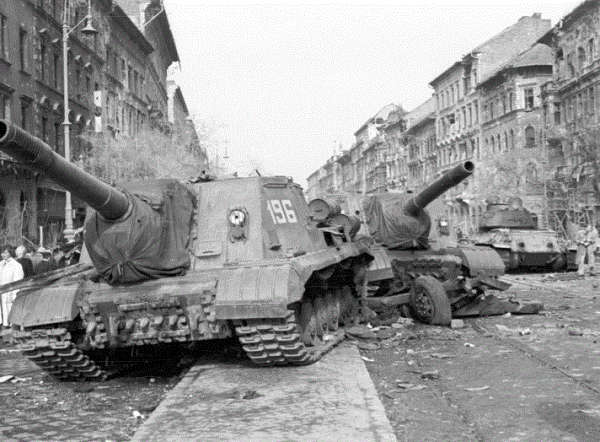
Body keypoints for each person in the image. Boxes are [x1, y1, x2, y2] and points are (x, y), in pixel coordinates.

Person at [0, 245, 24, 328]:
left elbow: (18, 282)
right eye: (2, 253)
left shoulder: (16, 265)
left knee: (10, 314)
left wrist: (14, 295)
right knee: (3, 315)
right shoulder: (1, 264)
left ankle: (11, 328)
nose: (3, 255)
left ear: (10, 253)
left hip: (10, 293)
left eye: (5, 252)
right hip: (2, 293)